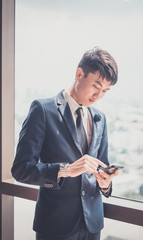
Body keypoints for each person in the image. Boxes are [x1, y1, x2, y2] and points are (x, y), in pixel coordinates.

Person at [11, 47, 118, 240]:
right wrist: (65, 170)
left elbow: (101, 166)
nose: (98, 96)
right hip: (55, 225)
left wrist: (105, 183)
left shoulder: (100, 118)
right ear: (79, 74)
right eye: (96, 86)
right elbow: (21, 169)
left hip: (92, 225)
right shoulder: (43, 110)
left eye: (105, 91)